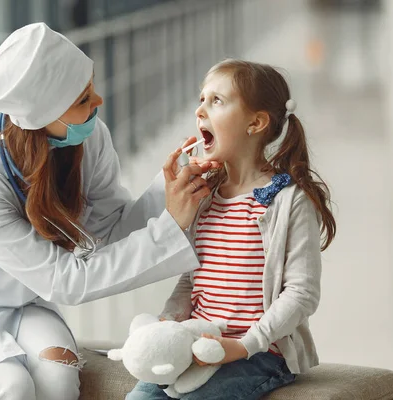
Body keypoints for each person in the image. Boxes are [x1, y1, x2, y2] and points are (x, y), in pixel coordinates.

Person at [0, 23, 213, 400]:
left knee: (58, 377)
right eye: (84, 98)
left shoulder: (88, 134)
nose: (98, 101)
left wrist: (170, 193)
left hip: (19, 303)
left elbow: (110, 230)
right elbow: (65, 281)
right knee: (5, 385)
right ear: (43, 114)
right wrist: (171, 225)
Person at [126, 59, 337, 400]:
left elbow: (302, 294)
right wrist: (168, 321)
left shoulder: (288, 201)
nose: (200, 110)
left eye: (216, 101)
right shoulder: (205, 197)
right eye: (201, 98)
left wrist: (242, 345)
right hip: (195, 343)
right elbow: (190, 277)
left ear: (255, 122)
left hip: (259, 354)